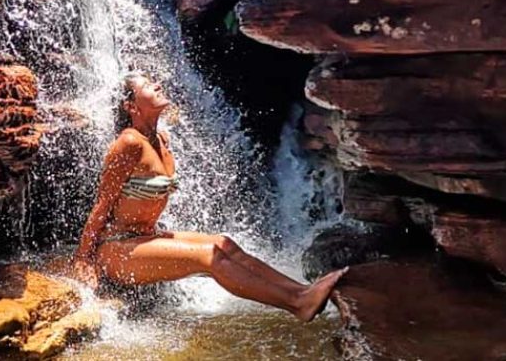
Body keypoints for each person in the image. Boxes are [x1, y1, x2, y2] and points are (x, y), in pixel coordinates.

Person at [71, 72, 346, 321]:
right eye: (146, 84)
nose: (156, 83)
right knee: (209, 256)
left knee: (224, 243)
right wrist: (84, 259)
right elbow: (102, 204)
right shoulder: (128, 143)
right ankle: (297, 303)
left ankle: (302, 290)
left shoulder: (161, 139)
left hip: (145, 236)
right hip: (117, 247)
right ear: (131, 107)